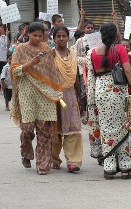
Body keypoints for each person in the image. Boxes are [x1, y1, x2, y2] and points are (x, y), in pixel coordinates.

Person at [10, 22, 66, 175]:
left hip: (45, 94)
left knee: (44, 130)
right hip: (27, 92)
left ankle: (43, 164)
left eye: (40, 36)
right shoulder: (20, 49)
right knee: (27, 129)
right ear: (28, 34)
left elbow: (52, 72)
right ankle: (26, 153)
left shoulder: (47, 50)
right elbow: (14, 71)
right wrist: (30, 63)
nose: (37, 39)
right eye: (34, 35)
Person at [87, 23, 131, 179]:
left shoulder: (91, 52)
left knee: (106, 128)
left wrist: (91, 102)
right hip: (118, 92)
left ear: (101, 35)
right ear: (115, 35)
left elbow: (90, 79)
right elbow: (128, 70)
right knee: (122, 127)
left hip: (100, 92)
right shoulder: (120, 49)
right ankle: (126, 167)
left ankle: (109, 167)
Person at [51, 26, 83, 173]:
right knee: (55, 128)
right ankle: (53, 158)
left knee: (73, 127)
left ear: (68, 37)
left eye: (64, 36)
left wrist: (79, 95)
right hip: (53, 95)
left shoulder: (73, 54)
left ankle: (73, 161)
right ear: (54, 38)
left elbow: (75, 76)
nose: (61, 39)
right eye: (58, 36)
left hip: (70, 95)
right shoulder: (50, 54)